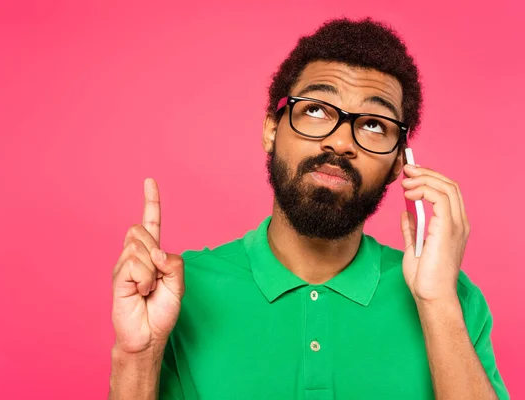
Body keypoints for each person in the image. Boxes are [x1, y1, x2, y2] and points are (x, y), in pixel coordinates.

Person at [108, 18, 509, 400]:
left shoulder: (448, 296)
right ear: (271, 129)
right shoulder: (176, 292)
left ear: (399, 165)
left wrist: (437, 302)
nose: (339, 142)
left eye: (373, 124)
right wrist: (136, 356)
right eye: (316, 110)